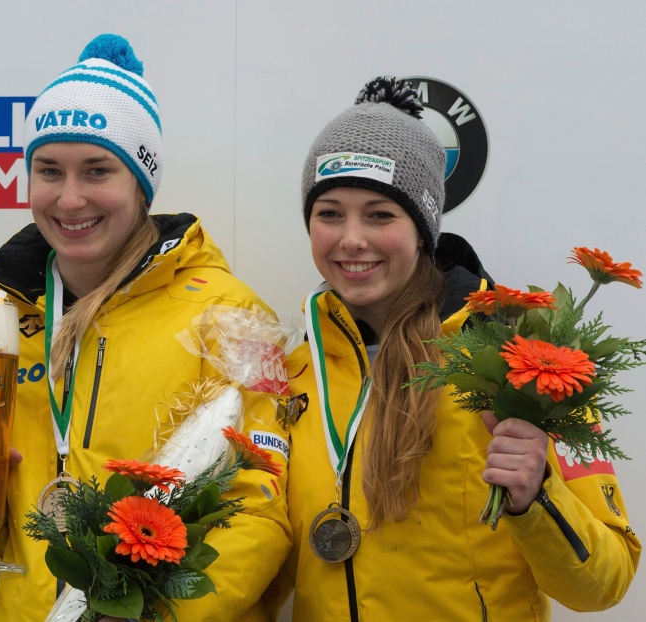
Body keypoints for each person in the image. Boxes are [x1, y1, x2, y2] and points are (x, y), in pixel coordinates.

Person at [0, 35, 292, 621]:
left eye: (97, 170)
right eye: (49, 171)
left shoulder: (230, 314)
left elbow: (258, 513)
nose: (69, 198)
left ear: (141, 183)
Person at [266, 77, 640, 620]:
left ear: (423, 229)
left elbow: (604, 584)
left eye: (379, 214)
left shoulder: (526, 362)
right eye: (329, 213)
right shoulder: (299, 374)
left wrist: (535, 497)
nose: (351, 239)